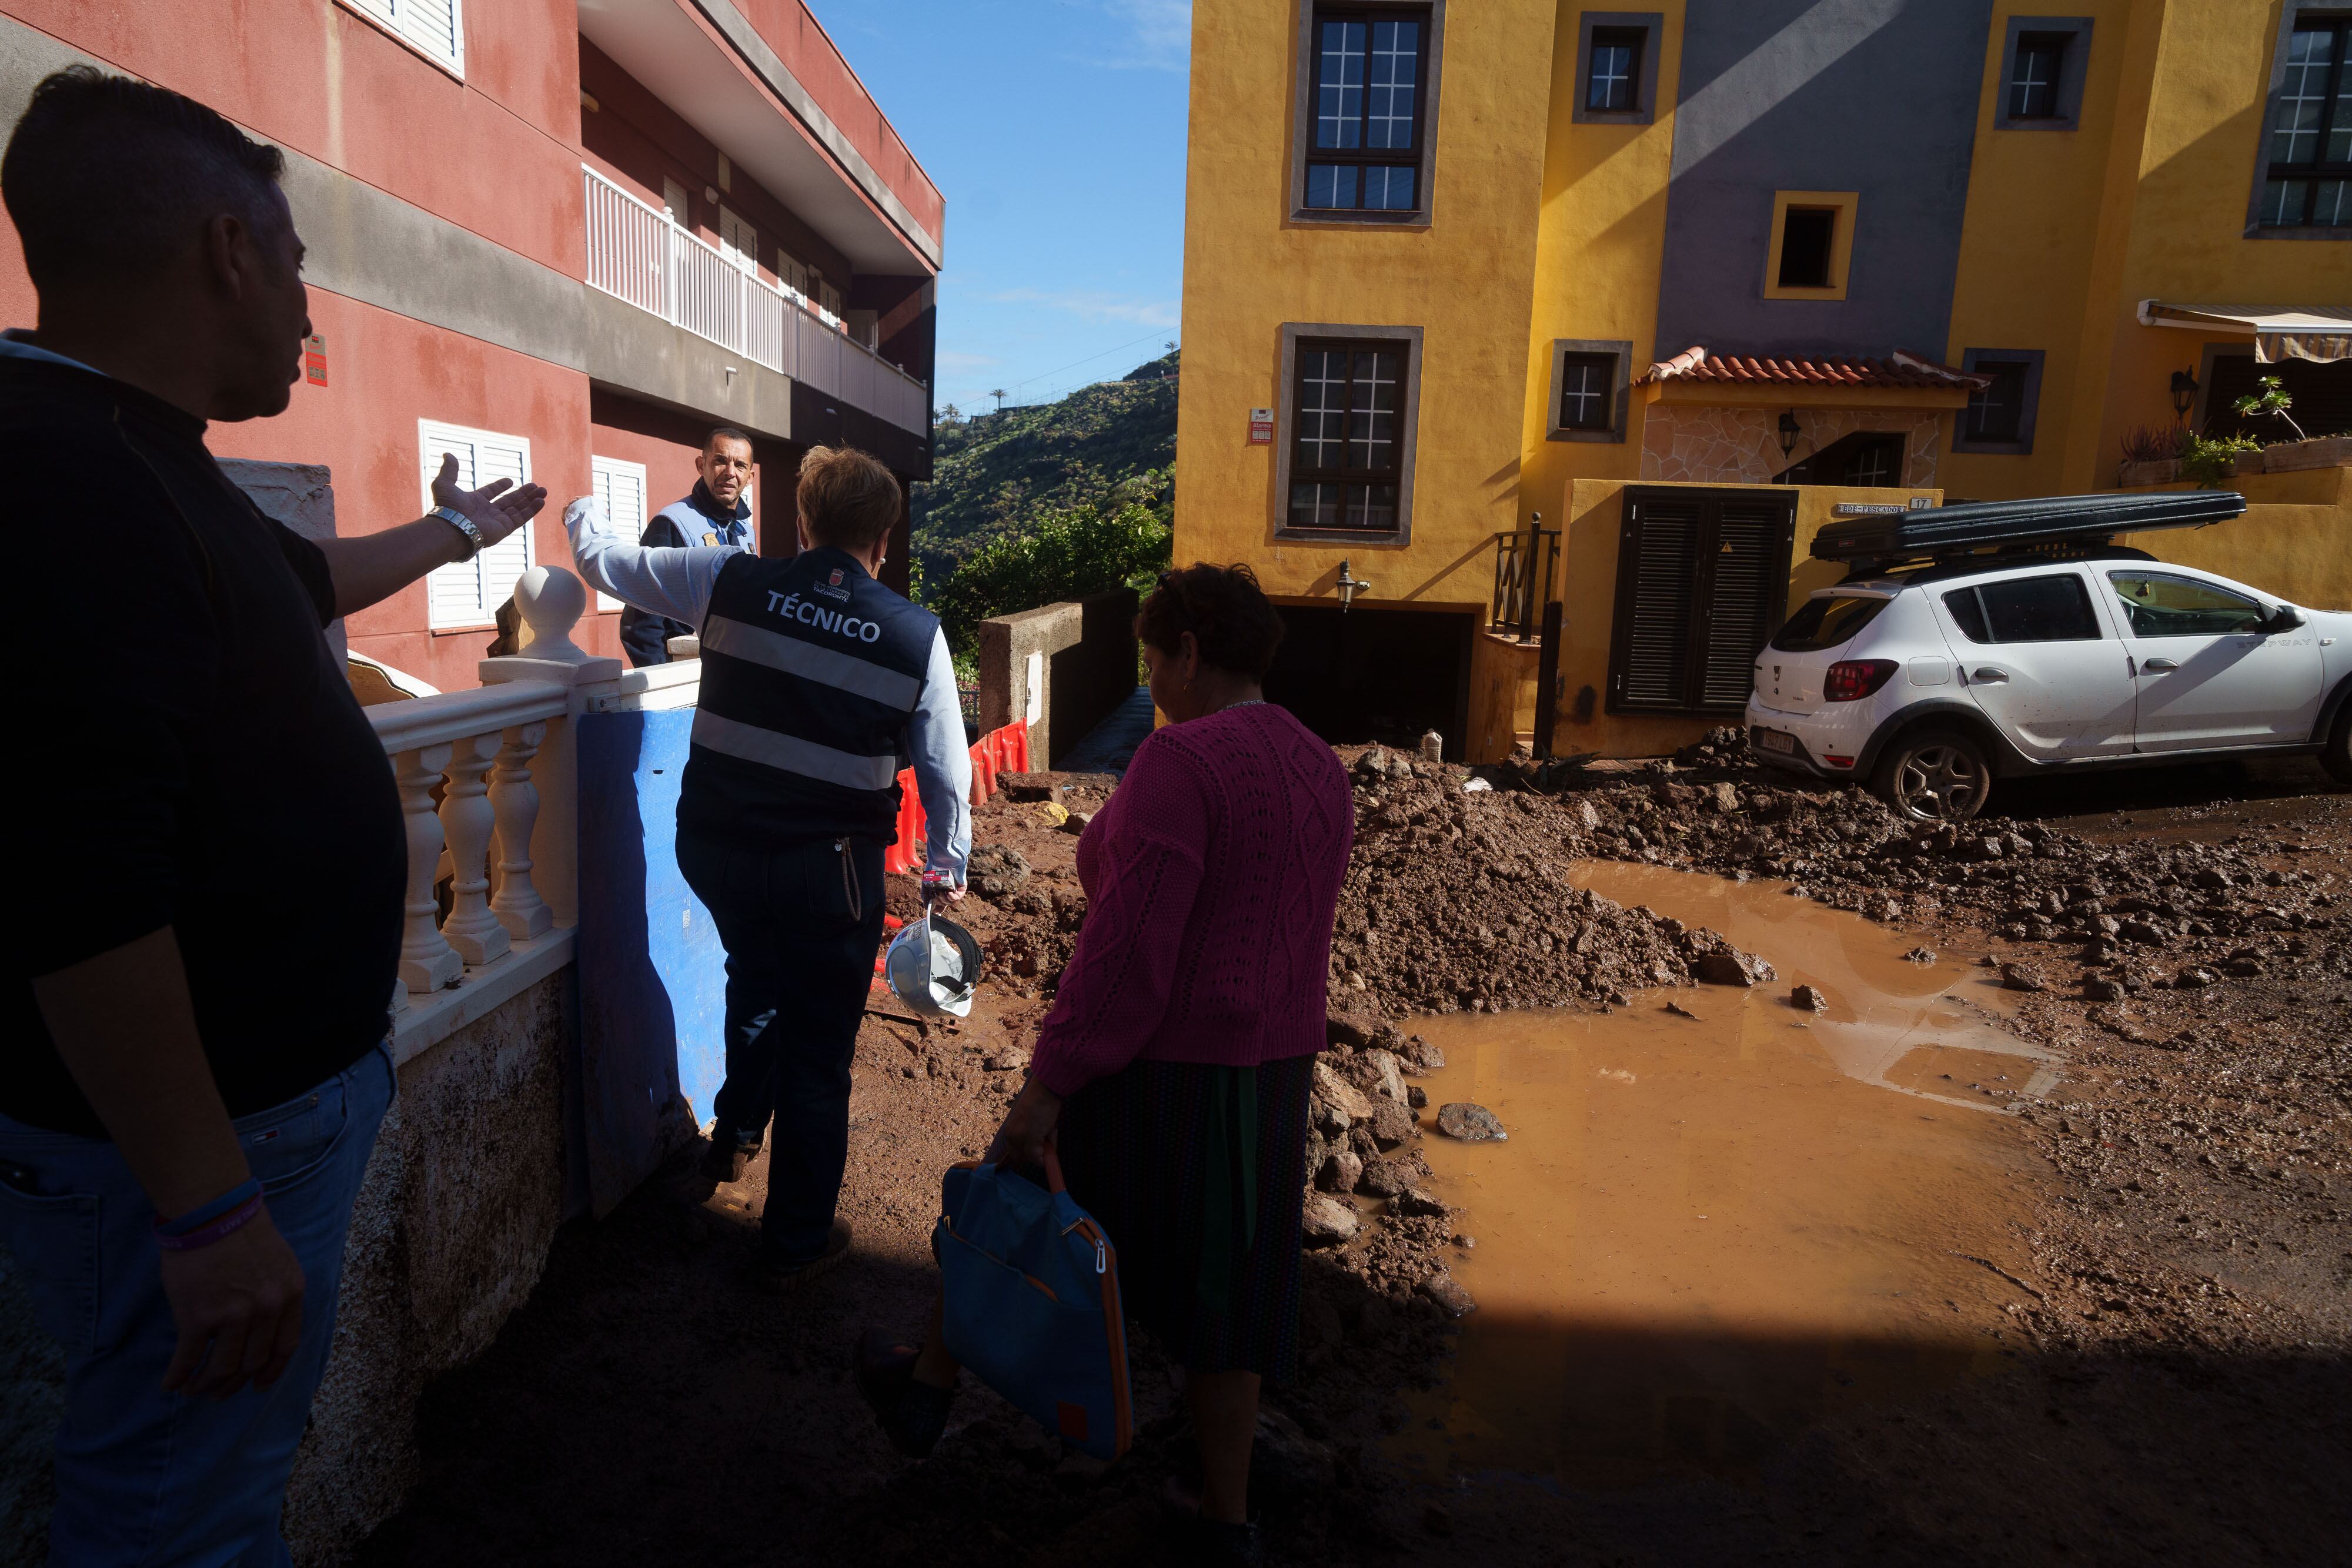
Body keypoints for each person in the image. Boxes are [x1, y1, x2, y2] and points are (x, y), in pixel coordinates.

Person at [1, 68, 547, 1564]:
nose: (306, 304)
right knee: (177, 1510)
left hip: (238, 1127)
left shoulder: (128, 453)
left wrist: (457, 531)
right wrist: (199, 1207)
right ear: (230, 251)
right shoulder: (70, 488)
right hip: (190, 1160)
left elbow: (293, 586)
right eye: (297, 260)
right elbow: (75, 880)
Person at [859, 564, 1353, 1566]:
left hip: (1163, 1071)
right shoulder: (1319, 765)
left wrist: (1050, 1085)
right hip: (1272, 1076)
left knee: (1022, 1199)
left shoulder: (1182, 763)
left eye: (1153, 657)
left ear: (1190, 654)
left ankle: (940, 1390)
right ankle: (1227, 1521)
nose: (1150, 678)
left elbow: (1127, 956)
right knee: (1230, 1296)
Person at [566, 444, 971, 1287]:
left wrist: (578, 511)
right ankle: (795, 1240)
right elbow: (944, 769)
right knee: (820, 1053)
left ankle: (737, 1142)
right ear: (885, 538)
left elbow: (607, 563)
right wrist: (945, 867)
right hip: (829, 872)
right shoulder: (914, 635)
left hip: (717, 847)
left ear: (802, 521)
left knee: (753, 974)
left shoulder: (729, 579)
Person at [618, 426, 757, 668]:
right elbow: (642, 624)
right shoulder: (672, 523)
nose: (730, 472)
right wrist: (666, 686)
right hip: (688, 672)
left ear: (750, 476)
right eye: (720, 461)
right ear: (701, 465)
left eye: (740, 465)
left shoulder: (746, 528)